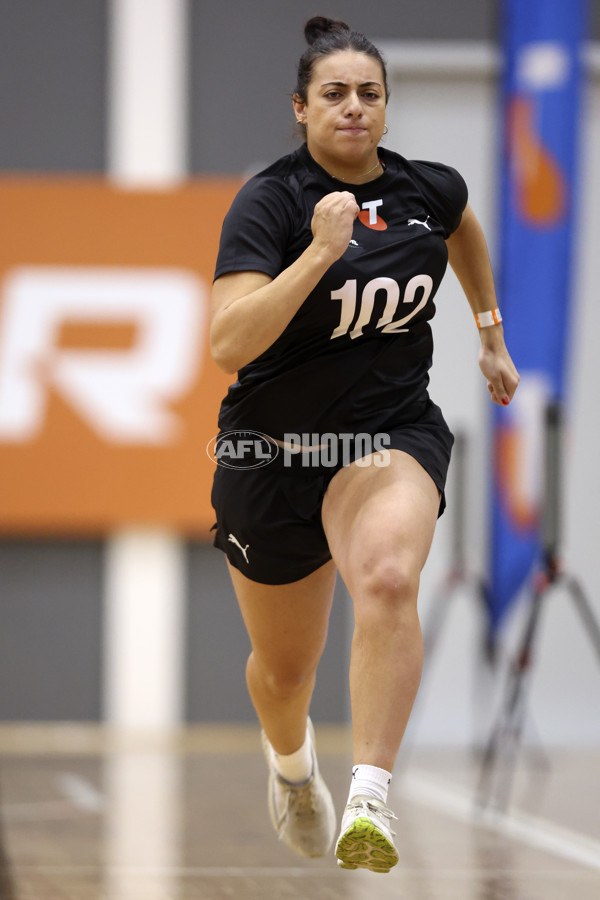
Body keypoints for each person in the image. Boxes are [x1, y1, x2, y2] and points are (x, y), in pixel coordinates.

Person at [209, 16, 519, 874]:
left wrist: (489, 332)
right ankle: (292, 766)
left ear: (386, 107)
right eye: (335, 94)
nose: (354, 108)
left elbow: (463, 232)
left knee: (387, 574)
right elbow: (229, 343)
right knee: (283, 674)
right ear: (301, 108)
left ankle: (370, 799)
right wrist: (317, 255)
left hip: (387, 435)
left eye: (369, 94)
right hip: (273, 455)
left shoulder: (430, 188)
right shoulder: (270, 201)